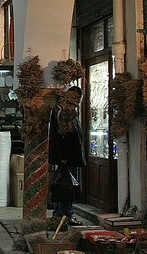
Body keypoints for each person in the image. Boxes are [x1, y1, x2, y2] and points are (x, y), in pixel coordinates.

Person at [48, 86, 86, 226]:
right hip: (67, 157)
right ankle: (65, 215)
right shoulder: (65, 111)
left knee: (62, 184)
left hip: (67, 156)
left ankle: (59, 214)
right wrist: (64, 156)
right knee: (66, 186)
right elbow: (63, 135)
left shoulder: (63, 109)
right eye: (77, 98)